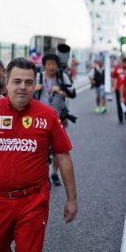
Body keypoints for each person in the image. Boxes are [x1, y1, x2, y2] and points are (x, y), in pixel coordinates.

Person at [0, 57, 78, 252]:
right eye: (17, 81)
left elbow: (63, 157)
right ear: (7, 79)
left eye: (28, 82)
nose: (23, 87)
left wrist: (72, 199)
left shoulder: (48, 115)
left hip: (33, 201)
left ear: (34, 85)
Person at [35, 53, 76, 186]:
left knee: (58, 148)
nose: (51, 67)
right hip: (40, 117)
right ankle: (43, 174)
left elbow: (72, 94)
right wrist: (35, 88)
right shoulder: (38, 76)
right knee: (41, 147)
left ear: (57, 65)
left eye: (54, 64)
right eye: (49, 64)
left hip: (58, 117)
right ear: (44, 65)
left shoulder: (62, 77)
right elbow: (27, 92)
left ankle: (54, 173)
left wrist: (60, 91)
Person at [112, 57, 126, 123]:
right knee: (119, 103)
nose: (125, 65)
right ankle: (120, 118)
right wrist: (113, 86)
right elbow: (113, 77)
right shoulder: (117, 69)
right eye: (124, 63)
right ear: (122, 63)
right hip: (118, 89)